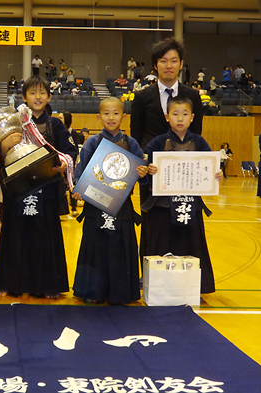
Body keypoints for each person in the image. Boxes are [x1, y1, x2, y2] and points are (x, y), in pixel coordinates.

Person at [0, 75, 77, 299]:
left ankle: (48, 285)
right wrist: (2, 148)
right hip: (18, 190)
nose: (37, 97)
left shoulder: (55, 124)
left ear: (49, 96)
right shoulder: (14, 122)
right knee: (14, 234)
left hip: (46, 188)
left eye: (42, 93)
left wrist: (62, 165)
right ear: (23, 97)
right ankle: (9, 283)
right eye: (32, 92)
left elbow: (70, 153)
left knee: (45, 237)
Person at [130, 37, 204, 269]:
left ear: (181, 64)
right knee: (153, 224)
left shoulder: (192, 96)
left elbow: (197, 135)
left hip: (183, 174)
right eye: (163, 61)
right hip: (152, 174)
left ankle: (186, 273)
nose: (169, 65)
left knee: (185, 220)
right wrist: (143, 167)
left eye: (174, 60)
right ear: (155, 65)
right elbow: (136, 136)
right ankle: (149, 273)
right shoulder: (142, 97)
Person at [142, 96, 223, 294]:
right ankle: (159, 288)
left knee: (192, 245)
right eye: (175, 114)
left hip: (190, 204)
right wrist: (148, 169)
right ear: (166, 117)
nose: (180, 118)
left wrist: (216, 173)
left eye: (185, 114)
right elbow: (142, 170)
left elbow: (209, 167)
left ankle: (195, 288)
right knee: (161, 245)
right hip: (162, 205)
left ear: (192, 117)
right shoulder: (158, 142)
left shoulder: (199, 142)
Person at [72, 97, 149, 304]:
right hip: (95, 205)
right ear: (99, 117)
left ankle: (121, 292)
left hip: (122, 205)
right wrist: (78, 187)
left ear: (124, 117)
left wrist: (143, 172)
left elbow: (143, 172)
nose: (111, 117)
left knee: (119, 247)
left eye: (116, 113)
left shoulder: (131, 143)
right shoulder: (92, 142)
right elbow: (81, 171)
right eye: (106, 113)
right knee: (96, 246)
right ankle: (93, 292)